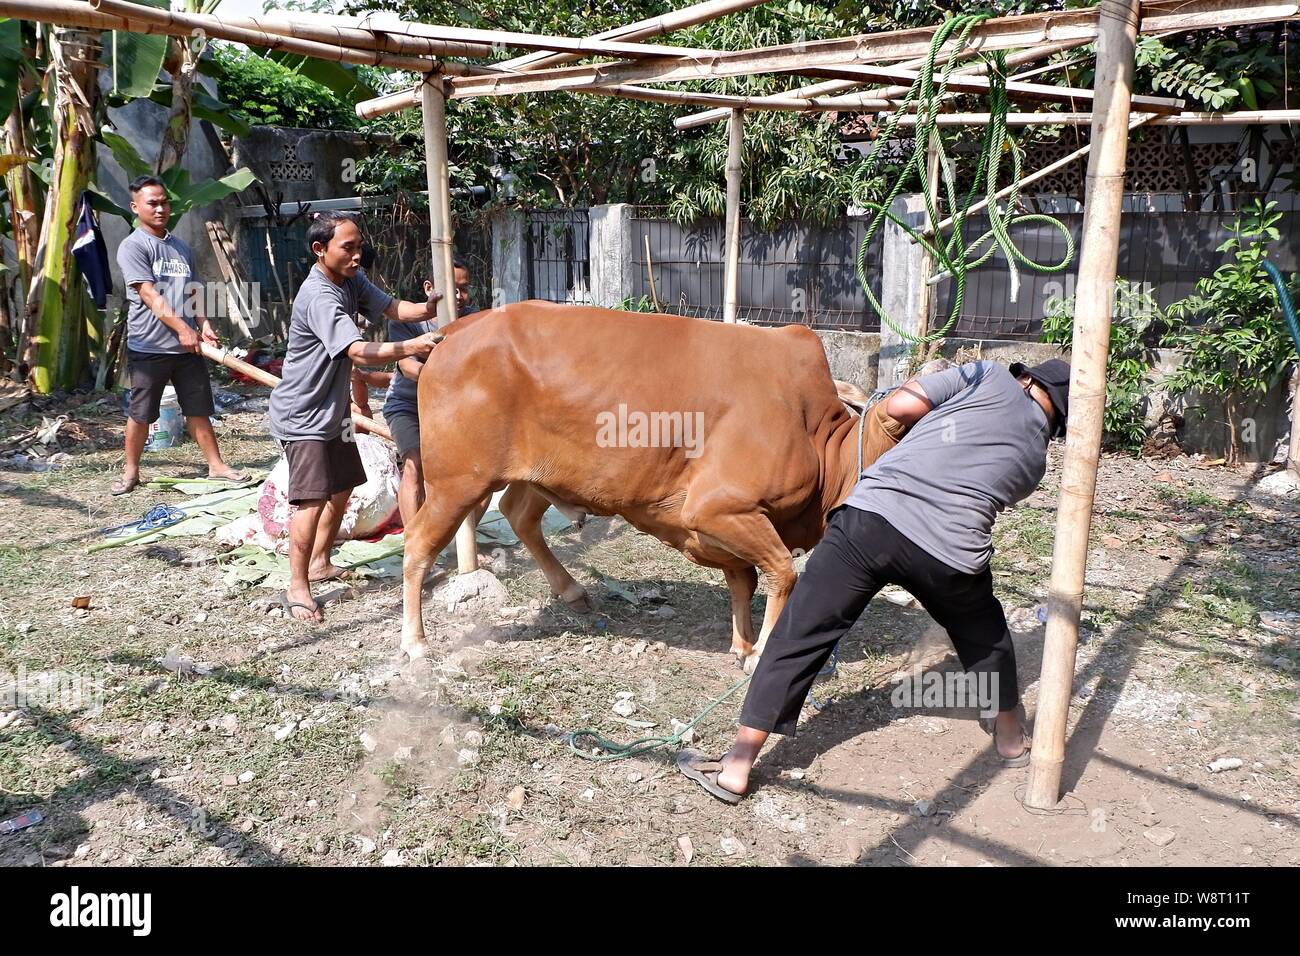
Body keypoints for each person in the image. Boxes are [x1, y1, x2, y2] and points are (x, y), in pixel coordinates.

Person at [677, 358, 1072, 803]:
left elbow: (901, 407)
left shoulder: (988, 375)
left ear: (1027, 379)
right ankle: (1011, 737)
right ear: (1056, 417)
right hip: (952, 553)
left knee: (801, 633)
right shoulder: (1035, 460)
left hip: (873, 521)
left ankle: (737, 765)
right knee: (986, 636)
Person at [268, 211, 444, 623]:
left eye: (359, 245)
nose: (357, 254)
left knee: (343, 487)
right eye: (348, 247)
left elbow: (390, 307)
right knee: (310, 502)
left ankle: (320, 562)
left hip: (333, 413)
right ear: (320, 249)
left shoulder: (350, 279)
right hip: (304, 416)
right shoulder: (319, 296)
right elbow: (357, 351)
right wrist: (413, 346)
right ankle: (297, 586)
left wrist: (428, 307)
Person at [112, 175, 249, 495]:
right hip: (150, 346)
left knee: (198, 407)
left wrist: (204, 325)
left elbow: (193, 290)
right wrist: (184, 329)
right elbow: (148, 294)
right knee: (142, 412)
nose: (161, 209)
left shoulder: (181, 247)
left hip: (188, 347)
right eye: (152, 203)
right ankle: (131, 471)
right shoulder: (133, 246)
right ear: (136, 208)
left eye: (164, 202)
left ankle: (216, 466)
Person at [383, 255, 478, 527]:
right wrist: (446, 378)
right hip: (407, 406)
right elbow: (406, 366)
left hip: (453, 408)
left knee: (481, 472)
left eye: (465, 287)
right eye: (452, 289)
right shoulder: (406, 321)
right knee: (414, 463)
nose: (460, 296)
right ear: (428, 289)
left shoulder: (474, 319)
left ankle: (459, 539)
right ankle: (413, 545)